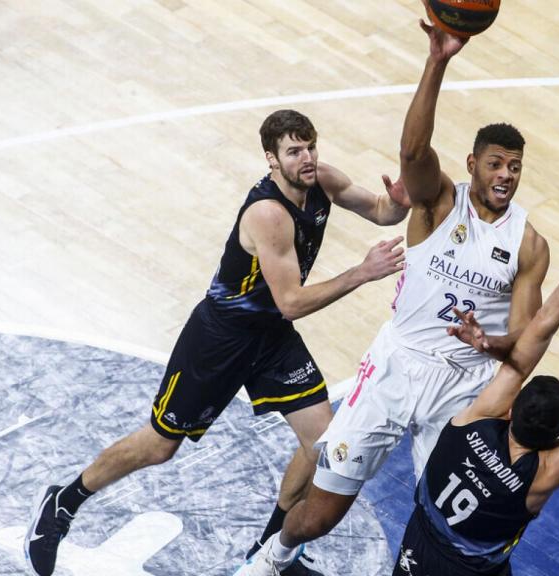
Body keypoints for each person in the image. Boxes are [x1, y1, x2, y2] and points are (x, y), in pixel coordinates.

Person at [24, 109, 409, 576]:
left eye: (310, 147)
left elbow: (379, 210)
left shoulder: (322, 180)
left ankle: (270, 552)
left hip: (269, 339)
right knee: (160, 446)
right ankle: (62, 504)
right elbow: (290, 301)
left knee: (321, 442)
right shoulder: (268, 214)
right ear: (271, 159)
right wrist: (361, 273)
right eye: (294, 152)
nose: (306, 158)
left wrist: (400, 203)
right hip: (219, 339)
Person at [237, 14, 551, 576]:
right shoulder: (437, 203)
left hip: (463, 388)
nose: (507, 175)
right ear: (472, 164)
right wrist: (438, 61)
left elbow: (524, 344)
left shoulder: (529, 244)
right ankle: (272, 558)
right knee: (324, 512)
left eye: (516, 168)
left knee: (442, 521)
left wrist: (489, 340)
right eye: (497, 164)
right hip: (397, 364)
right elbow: (412, 151)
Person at [394, 236, 559, 576]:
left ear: (512, 409)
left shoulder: (479, 416)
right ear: (557, 435)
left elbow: (541, 325)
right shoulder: (542, 475)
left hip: (420, 543)